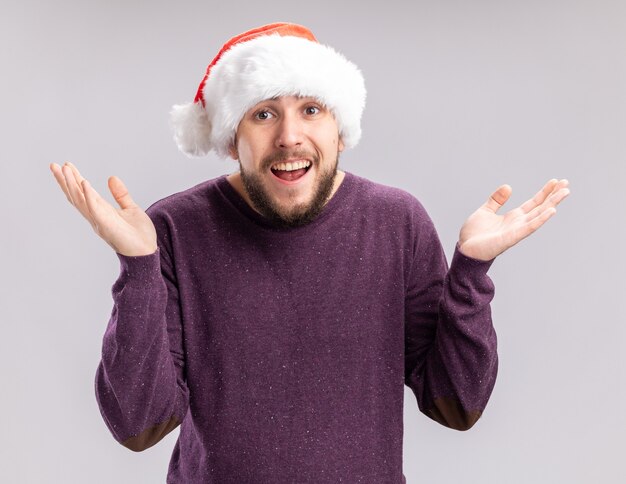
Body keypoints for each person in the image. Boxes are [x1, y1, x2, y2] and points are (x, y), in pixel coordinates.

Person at [49, 22, 570, 484]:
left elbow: (457, 405)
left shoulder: (398, 223)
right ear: (232, 138)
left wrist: (471, 275)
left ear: (339, 131)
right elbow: (138, 425)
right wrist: (138, 270)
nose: (289, 136)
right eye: (264, 113)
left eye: (311, 109)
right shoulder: (173, 230)